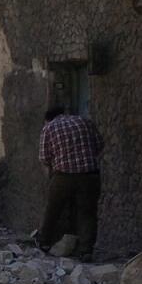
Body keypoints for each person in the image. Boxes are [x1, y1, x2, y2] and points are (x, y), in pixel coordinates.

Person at [37, 108, 103, 258]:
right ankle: (86, 250)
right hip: (90, 175)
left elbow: (44, 158)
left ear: (48, 119)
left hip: (63, 176)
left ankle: (44, 242)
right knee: (87, 213)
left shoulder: (49, 128)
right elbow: (99, 145)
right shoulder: (85, 121)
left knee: (53, 209)